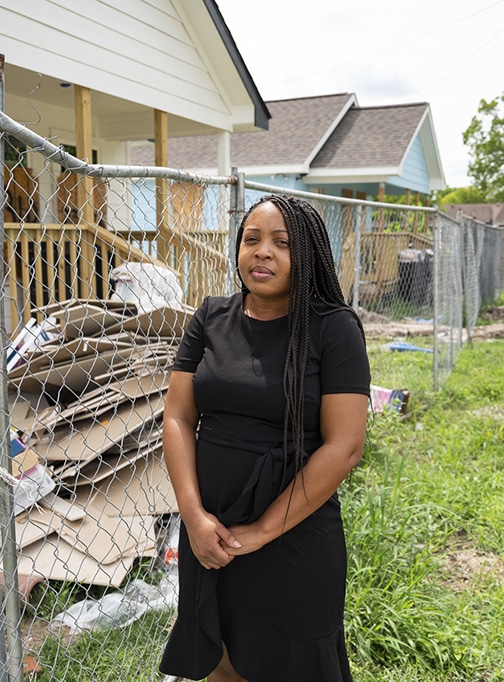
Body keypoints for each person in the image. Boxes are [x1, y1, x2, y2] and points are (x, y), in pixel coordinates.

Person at [159, 194, 371, 682]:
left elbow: (345, 447)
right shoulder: (211, 317)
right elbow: (177, 416)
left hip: (294, 535)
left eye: (282, 243)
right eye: (251, 239)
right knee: (220, 657)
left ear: (308, 256)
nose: (262, 252)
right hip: (209, 528)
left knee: (293, 663)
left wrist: (261, 532)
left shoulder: (333, 329)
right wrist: (193, 519)